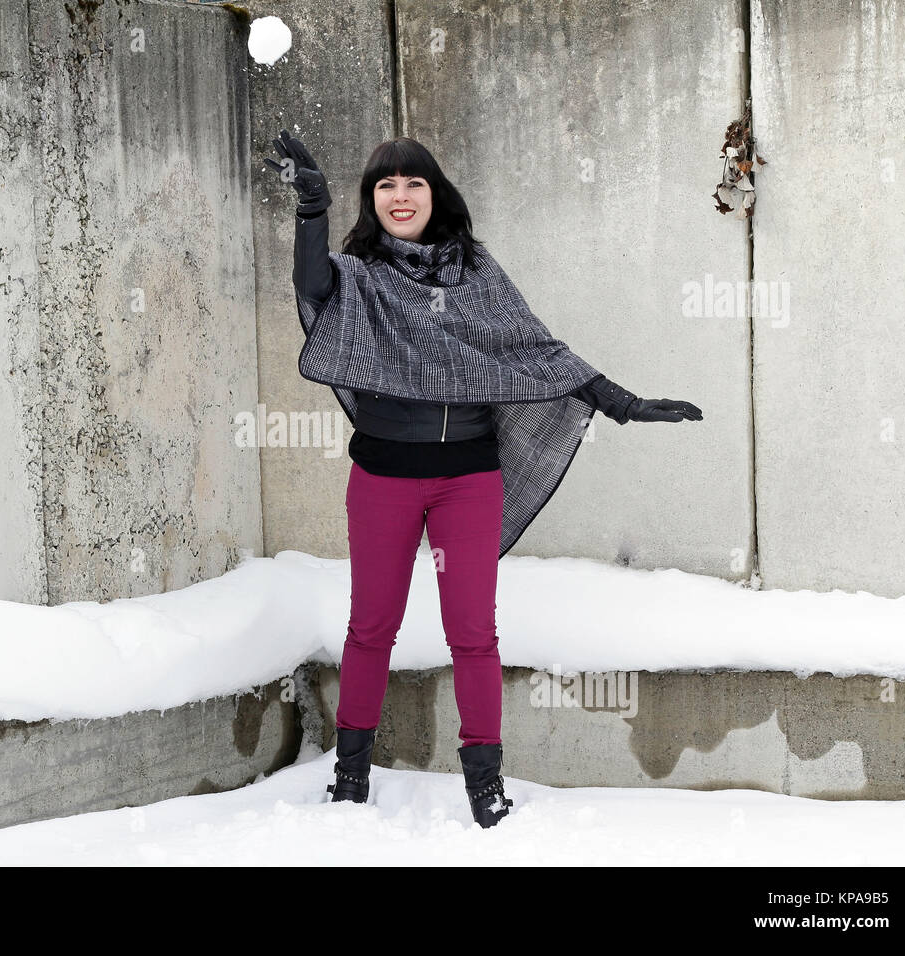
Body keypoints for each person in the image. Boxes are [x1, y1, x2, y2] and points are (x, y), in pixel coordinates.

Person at [265, 130, 702, 828]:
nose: (400, 196)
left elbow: (536, 348)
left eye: (413, 183)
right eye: (385, 185)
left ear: (435, 194)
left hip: (468, 477)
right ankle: (350, 776)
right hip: (384, 477)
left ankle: (484, 783)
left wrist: (623, 402)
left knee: (472, 633)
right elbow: (311, 285)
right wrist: (311, 210)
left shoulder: (475, 272)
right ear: (371, 201)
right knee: (371, 625)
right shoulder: (360, 274)